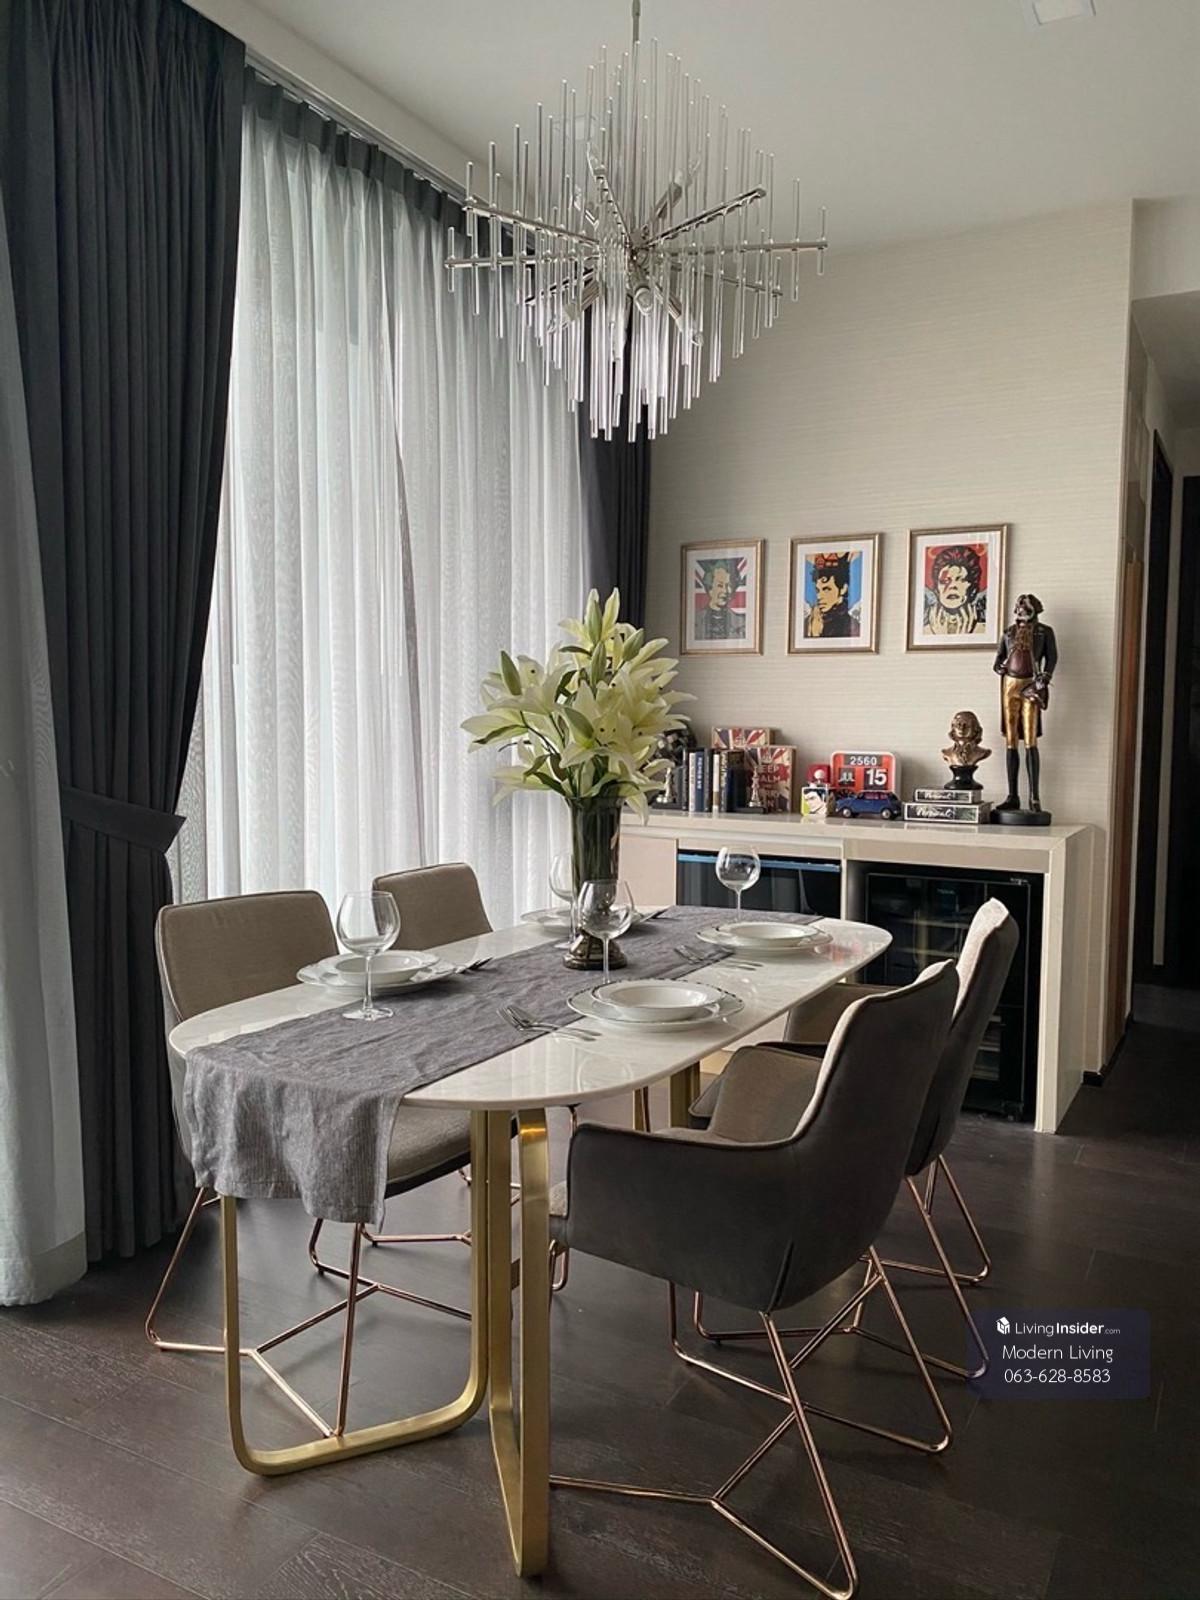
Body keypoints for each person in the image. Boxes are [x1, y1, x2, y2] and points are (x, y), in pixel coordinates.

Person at [992, 593, 1058, 813]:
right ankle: (1012, 796)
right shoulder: (1008, 632)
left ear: (1035, 609)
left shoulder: (1044, 632)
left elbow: (1052, 657)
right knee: (1011, 739)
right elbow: (998, 658)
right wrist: (999, 667)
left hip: (1031, 684)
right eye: (1019, 606)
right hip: (1010, 685)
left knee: (1030, 739)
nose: (1021, 610)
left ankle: (1034, 797)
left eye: (1026, 607)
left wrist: (1045, 676)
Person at [923, 545, 987, 635]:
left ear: (972, 587)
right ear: (937, 588)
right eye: (944, 581)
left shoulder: (983, 629)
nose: (952, 586)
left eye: (961, 580)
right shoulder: (925, 631)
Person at [805, 552, 860, 638]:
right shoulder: (809, 622)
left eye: (826, 589)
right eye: (817, 590)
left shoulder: (852, 627)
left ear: (843, 589)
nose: (819, 596)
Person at [695, 560, 746, 641]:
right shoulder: (695, 621)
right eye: (720, 585)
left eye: (729, 586)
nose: (725, 591)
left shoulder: (742, 623)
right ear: (710, 588)